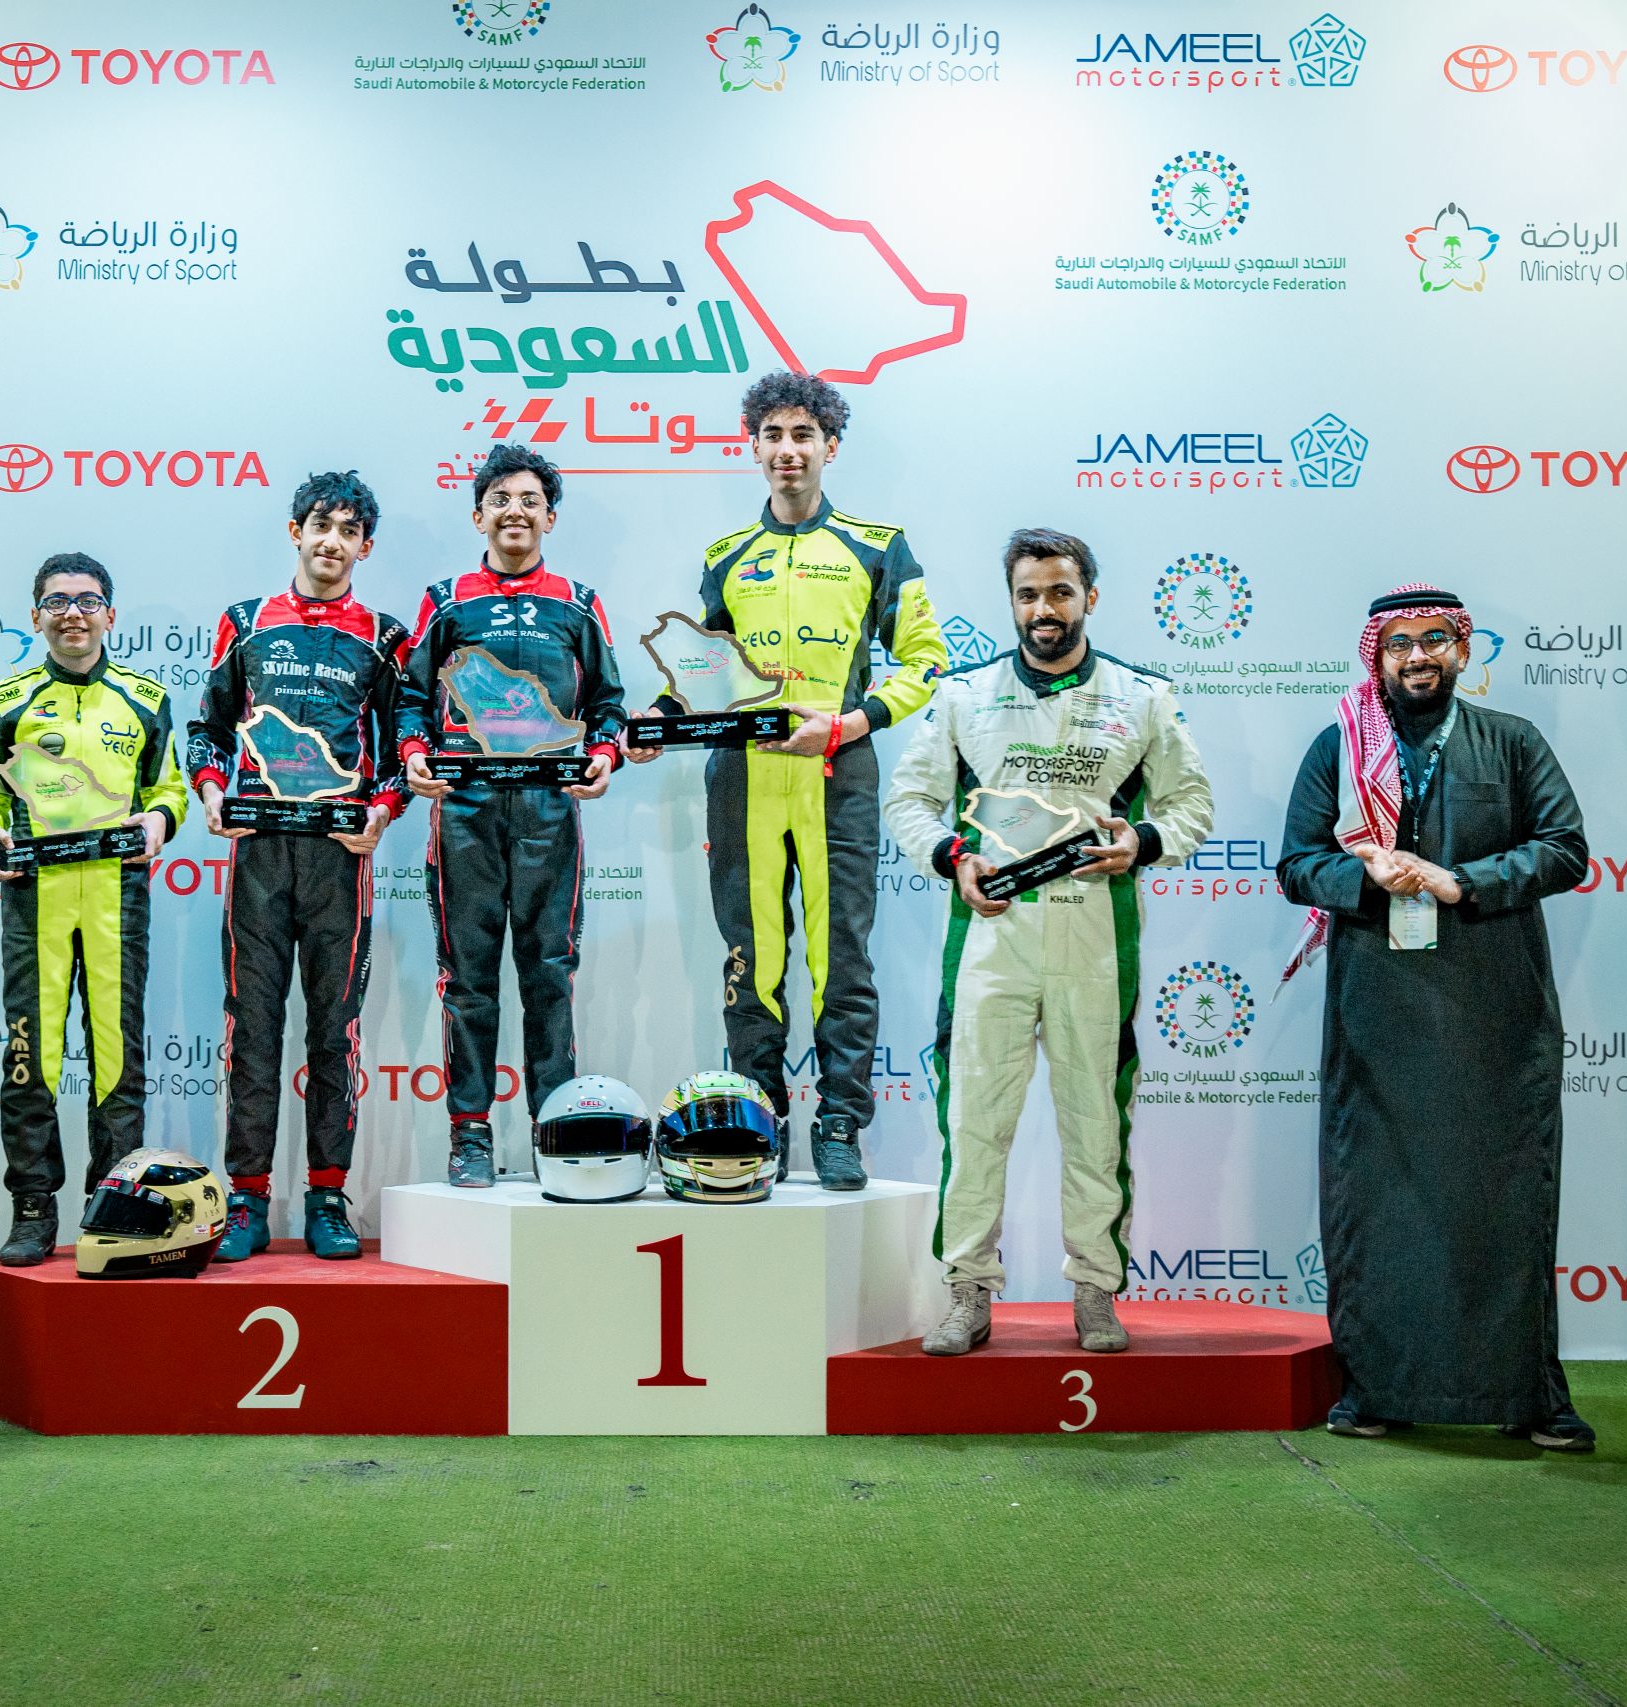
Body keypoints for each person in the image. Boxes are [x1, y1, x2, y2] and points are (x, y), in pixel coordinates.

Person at [1277, 584, 1593, 1448]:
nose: (1417, 657)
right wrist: (1364, 875)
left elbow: (1565, 849)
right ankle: (1376, 1389)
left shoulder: (1512, 741)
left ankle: (1530, 1394)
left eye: (1433, 640)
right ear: (1377, 656)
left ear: (1461, 649)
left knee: (1506, 1203)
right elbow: (1297, 863)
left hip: (1496, 1015)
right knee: (1380, 1204)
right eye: (1400, 644)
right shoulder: (1340, 746)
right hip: (1377, 1017)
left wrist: (1463, 882)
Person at [885, 530, 1212, 1355]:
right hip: (992, 935)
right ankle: (967, 1291)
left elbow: (1191, 805)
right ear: (1012, 600)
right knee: (975, 1120)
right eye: (1028, 594)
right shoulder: (964, 694)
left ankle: (1096, 1291)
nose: (1044, 609)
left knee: (1096, 1124)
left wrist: (1142, 841)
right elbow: (910, 802)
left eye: (1060, 592)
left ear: (1089, 597)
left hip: (1094, 934)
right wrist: (952, 857)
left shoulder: (1142, 695)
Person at [624, 371, 948, 1187]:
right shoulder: (726, 556)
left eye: (804, 435)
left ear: (830, 446)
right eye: (773, 435)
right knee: (753, 959)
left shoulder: (879, 545)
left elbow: (925, 662)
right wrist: (658, 717)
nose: (788, 450)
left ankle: (839, 1125)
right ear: (754, 448)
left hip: (839, 772)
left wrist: (850, 723)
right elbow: (706, 673)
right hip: (744, 779)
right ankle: (759, 1123)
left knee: (842, 961)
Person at [187, 471, 408, 1261]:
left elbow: (401, 750)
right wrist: (211, 790)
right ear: (296, 531)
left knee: (333, 1031)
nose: (332, 541)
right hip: (259, 856)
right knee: (251, 1026)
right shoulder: (246, 622)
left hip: (339, 861)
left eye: (348, 531)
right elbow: (207, 730)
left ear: (364, 547)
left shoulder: (385, 636)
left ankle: (326, 1196)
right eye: (321, 525)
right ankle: (247, 1199)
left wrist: (383, 812)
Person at [399, 444, 627, 1187]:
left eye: (530, 500)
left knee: (549, 976)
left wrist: (605, 756)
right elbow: (410, 697)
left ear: (550, 517)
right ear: (479, 516)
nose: (515, 511)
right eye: (500, 499)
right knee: (467, 979)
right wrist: (413, 753)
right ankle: (470, 1134)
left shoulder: (578, 602)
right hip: (463, 809)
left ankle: (552, 1129)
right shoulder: (446, 598)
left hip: (549, 811)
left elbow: (609, 703)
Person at [0, 553, 186, 1266]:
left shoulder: (145, 699)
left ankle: (112, 1207)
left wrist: (160, 820)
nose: (73, 614)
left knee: (118, 1059)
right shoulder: (8, 701)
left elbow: (169, 788)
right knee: (31, 1056)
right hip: (37, 899)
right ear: (36, 617)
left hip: (119, 895)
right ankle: (33, 1208)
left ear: (109, 615)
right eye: (57, 602)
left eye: (87, 601)